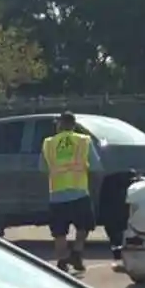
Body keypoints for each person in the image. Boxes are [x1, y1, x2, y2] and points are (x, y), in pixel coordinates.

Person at [42, 112, 98, 274]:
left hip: (57, 195)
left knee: (59, 232)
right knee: (85, 226)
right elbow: (95, 165)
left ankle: (62, 261)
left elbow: (42, 167)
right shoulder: (83, 141)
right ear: (74, 125)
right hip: (79, 192)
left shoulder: (49, 143)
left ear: (59, 125)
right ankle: (77, 253)